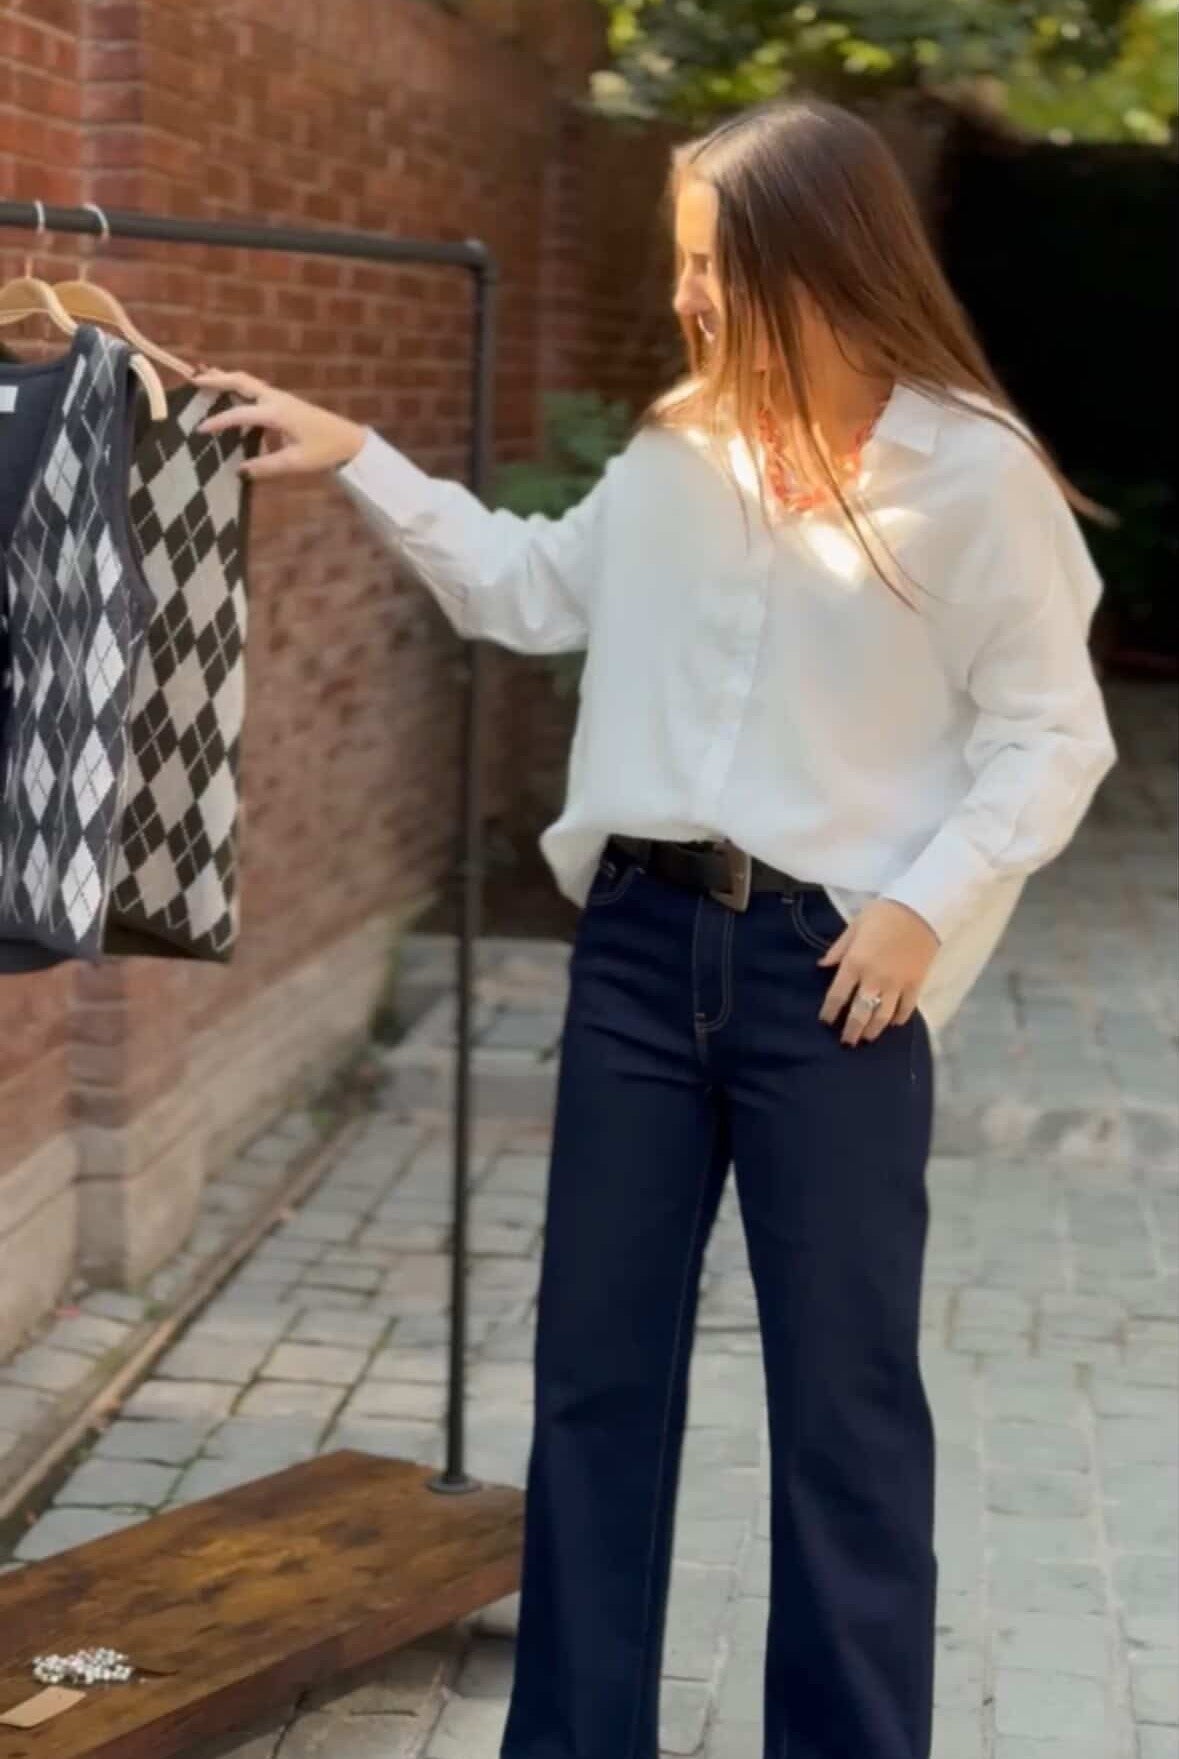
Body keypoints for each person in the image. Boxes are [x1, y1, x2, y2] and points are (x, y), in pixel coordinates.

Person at [196, 98, 1115, 1759]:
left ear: (816, 263)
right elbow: (530, 587)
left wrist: (923, 907)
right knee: (597, 1384)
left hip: (833, 982)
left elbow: (1054, 733)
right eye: (683, 262)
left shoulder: (973, 476)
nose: (686, 297)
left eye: (712, 266)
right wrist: (364, 458)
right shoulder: (680, 452)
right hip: (633, 955)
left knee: (844, 1409)